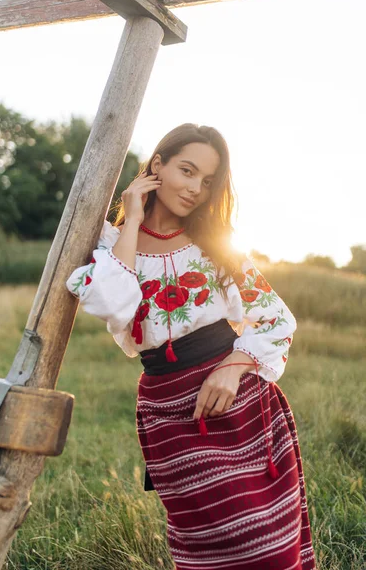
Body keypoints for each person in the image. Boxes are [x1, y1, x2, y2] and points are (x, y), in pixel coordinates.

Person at [66, 123, 317, 570]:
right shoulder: (108, 243)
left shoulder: (217, 247)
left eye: (207, 181)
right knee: (206, 549)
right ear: (157, 165)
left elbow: (277, 317)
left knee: (269, 550)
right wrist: (134, 219)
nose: (195, 189)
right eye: (187, 170)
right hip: (168, 410)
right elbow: (113, 303)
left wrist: (234, 365)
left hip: (237, 401)